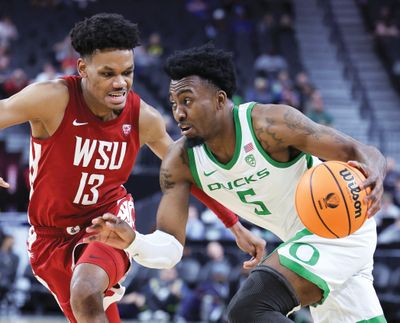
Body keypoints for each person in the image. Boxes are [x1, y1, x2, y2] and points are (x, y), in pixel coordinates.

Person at [85, 44, 388, 323]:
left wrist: (375, 172)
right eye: (174, 102)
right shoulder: (180, 161)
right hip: (300, 239)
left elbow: (360, 152)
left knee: (251, 307)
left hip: (339, 227)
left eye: (187, 100)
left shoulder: (270, 124)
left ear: (219, 100)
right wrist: (134, 241)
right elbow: (170, 248)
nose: (178, 112)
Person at [0, 16, 266, 323]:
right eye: (108, 73)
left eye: (127, 73)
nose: (120, 83)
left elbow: (190, 174)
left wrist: (234, 225)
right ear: (83, 69)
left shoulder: (143, 118)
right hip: (50, 238)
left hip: (108, 220)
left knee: (86, 289)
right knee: (90, 309)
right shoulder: (52, 99)